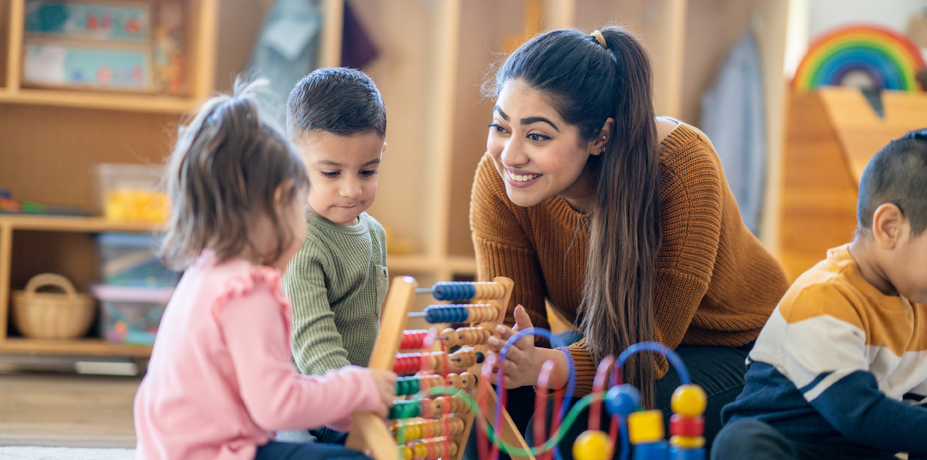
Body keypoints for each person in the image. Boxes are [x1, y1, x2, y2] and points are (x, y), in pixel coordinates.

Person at [470, 26, 788, 457]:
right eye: (501, 126)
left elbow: (646, 353)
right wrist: (502, 355)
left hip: (740, 350)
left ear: (600, 136)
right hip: (621, 344)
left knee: (583, 423)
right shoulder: (502, 178)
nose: (510, 154)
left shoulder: (682, 167)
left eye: (538, 135)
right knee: (485, 408)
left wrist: (546, 365)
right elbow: (523, 335)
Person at [133, 81, 395, 460]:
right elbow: (276, 406)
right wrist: (358, 389)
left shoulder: (209, 270)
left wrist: (349, 404)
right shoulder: (247, 290)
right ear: (279, 203)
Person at [713, 130, 927, 460]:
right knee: (741, 442)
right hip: (794, 444)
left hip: (856, 450)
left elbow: (915, 415)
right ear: (889, 228)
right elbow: (859, 413)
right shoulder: (824, 297)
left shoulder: (919, 308)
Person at [279, 67, 389, 445]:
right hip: (314, 409)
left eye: (367, 171)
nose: (351, 189)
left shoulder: (374, 233)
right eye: (330, 173)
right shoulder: (301, 241)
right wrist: (356, 399)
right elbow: (313, 344)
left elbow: (371, 327)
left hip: (353, 398)